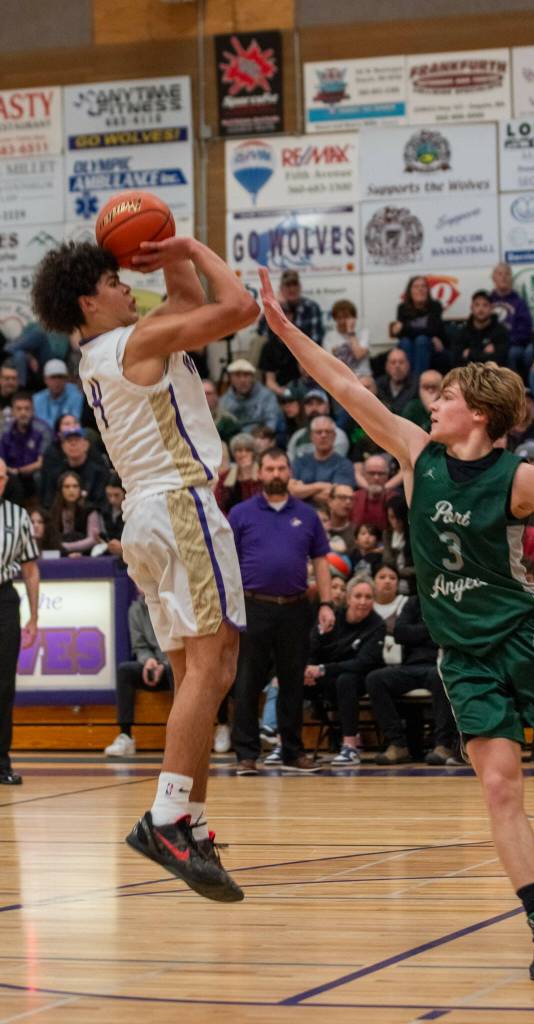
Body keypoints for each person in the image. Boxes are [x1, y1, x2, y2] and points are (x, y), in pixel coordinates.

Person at [259, 263, 534, 980]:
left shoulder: (521, 478)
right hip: (466, 653)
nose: (433, 402)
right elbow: (346, 386)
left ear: (476, 413)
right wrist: (288, 330)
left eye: (445, 395)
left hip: (523, 640)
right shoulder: (415, 455)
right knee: (497, 785)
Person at [32, 234, 259, 901]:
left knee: (199, 672)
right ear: (87, 301)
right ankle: (166, 818)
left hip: (147, 517)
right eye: (114, 281)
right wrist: (188, 242)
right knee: (216, 663)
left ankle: (188, 819)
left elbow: (187, 298)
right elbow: (238, 308)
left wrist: (169, 259)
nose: (128, 286)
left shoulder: (107, 349)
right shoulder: (133, 345)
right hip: (181, 504)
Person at [228, 447, 334, 774]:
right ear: (260, 473)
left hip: (295, 607)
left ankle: (292, 752)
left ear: (290, 472)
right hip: (252, 607)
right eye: (270, 468)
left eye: (281, 468)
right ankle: (246, 755)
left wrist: (327, 603)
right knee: (246, 682)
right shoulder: (241, 513)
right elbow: (226, 562)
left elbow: (320, 561)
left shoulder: (308, 515)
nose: (276, 474)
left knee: (292, 682)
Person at [368, 592, 461, 766]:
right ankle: (397, 744)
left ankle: (444, 744)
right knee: (376, 679)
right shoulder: (414, 601)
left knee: (440, 676)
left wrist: (418, 633)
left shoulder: (452, 598)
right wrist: (433, 628)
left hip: (440, 664)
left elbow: (454, 631)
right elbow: (400, 632)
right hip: (411, 665)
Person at [304, 574, 385, 766]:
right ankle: (286, 745)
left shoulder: (377, 625)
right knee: (291, 679)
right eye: (358, 596)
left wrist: (322, 669)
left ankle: (350, 746)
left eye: (368, 597)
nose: (363, 601)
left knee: (346, 680)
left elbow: (363, 662)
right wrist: (308, 670)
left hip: (361, 678)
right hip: (329, 675)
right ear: (348, 598)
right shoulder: (333, 618)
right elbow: (313, 646)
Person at [0, 457, 39, 785]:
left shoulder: (18, 516)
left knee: (4, 685)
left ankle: (1, 762)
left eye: (1, 477)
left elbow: (30, 569)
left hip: (4, 597)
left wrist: (35, 616)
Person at [104, 592, 174, 758]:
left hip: (175, 665)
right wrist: (148, 661)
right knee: (125, 671)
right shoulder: (136, 609)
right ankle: (126, 736)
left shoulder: (173, 604)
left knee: (177, 673)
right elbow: (140, 646)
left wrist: (165, 664)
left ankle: (182, 734)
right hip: (152, 666)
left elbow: (184, 645)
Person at [258, 269, 324, 395]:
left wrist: (306, 358)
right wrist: (272, 306)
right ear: (281, 288)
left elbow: (316, 340)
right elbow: (261, 332)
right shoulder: (277, 306)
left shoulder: (311, 307)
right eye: (288, 285)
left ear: (300, 287)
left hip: (304, 355)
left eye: (294, 285)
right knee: (259, 344)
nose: (291, 289)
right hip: (278, 354)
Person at [0, 392, 52, 505]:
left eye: (27, 409)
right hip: (9, 473)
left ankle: (40, 510)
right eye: (19, 409)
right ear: (12, 411)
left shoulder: (43, 429)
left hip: (33, 474)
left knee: (40, 475)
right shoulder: (4, 429)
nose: (23, 413)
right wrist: (9, 471)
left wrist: (18, 471)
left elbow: (41, 463)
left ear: (33, 410)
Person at [389, 275, 446, 378]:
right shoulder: (402, 308)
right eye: (416, 287)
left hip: (428, 346)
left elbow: (433, 330)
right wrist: (426, 333)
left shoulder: (435, 306)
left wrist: (405, 328)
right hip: (410, 345)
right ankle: (408, 381)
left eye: (423, 286)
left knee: (421, 340)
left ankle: (418, 382)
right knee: (405, 342)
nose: (420, 289)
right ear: (410, 291)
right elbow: (400, 335)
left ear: (427, 290)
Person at [40, 425, 108, 509]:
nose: (73, 444)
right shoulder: (55, 474)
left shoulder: (98, 473)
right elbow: (49, 501)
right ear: (63, 447)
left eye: (77, 440)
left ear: (86, 445)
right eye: (69, 441)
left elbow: (101, 503)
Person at [290, 416, 355, 501]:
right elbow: (292, 491)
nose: (323, 435)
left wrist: (303, 491)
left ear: (334, 436)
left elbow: (339, 497)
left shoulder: (344, 465)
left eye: (328, 432)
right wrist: (321, 486)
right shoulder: (300, 462)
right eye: (318, 432)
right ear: (311, 436)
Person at [490, 262, 533, 378]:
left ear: (511, 278)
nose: (503, 277)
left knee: (511, 353)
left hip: (513, 345)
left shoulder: (519, 303)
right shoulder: (486, 301)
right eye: (500, 274)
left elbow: (525, 331)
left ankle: (513, 389)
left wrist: (504, 344)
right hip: (491, 343)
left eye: (507, 274)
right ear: (493, 278)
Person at [45, 471, 102, 557]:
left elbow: (93, 539)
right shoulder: (54, 510)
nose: (71, 490)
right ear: (61, 490)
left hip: (86, 555)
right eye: (67, 487)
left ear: (80, 489)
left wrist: (65, 547)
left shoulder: (90, 510)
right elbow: (51, 537)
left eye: (75, 486)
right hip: (60, 555)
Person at [217, 358, 280, 433]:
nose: (242, 380)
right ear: (231, 378)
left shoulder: (267, 396)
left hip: (261, 437)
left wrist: (263, 435)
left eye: (246, 375)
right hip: (235, 440)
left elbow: (272, 422)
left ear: (253, 377)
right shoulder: (224, 401)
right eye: (237, 375)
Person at [287, 387, 350, 461]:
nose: (314, 408)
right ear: (304, 408)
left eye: (319, 403)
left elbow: (333, 465)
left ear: (328, 407)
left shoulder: (338, 435)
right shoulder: (297, 436)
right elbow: (291, 465)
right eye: (310, 404)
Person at [450, 290, 509, 368]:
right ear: (471, 308)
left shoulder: (500, 331)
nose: (481, 309)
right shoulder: (462, 332)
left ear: (491, 308)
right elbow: (456, 360)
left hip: (493, 375)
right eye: (477, 305)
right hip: (467, 375)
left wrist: (470, 353)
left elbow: (500, 360)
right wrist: (485, 354)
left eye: (485, 305)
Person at [214, 433, 261, 516]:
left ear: (254, 453)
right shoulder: (224, 477)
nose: (243, 454)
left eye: (248, 450)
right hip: (232, 524)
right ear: (234, 454)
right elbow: (218, 506)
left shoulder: (262, 474)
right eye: (239, 450)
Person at [322, 299, 371, 376]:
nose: (342, 321)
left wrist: (351, 332)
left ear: (354, 318)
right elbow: (329, 364)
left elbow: (359, 354)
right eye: (339, 317)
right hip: (340, 378)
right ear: (335, 319)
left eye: (346, 317)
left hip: (362, 377)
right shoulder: (329, 337)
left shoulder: (363, 333)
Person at [32, 358, 84, 428]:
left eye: (60, 377)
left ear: (66, 379)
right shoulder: (37, 399)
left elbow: (75, 420)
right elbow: (37, 424)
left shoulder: (76, 394)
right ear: (45, 379)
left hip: (69, 434)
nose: (57, 381)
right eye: (53, 377)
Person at [351, 453, 393, 531]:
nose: (376, 477)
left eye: (381, 474)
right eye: (371, 473)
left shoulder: (394, 499)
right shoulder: (353, 498)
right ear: (364, 475)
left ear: (387, 475)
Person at [376, 348, 418, 415]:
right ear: (387, 366)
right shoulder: (379, 384)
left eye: (401, 362)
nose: (397, 366)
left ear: (408, 365)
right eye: (393, 362)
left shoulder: (417, 385)